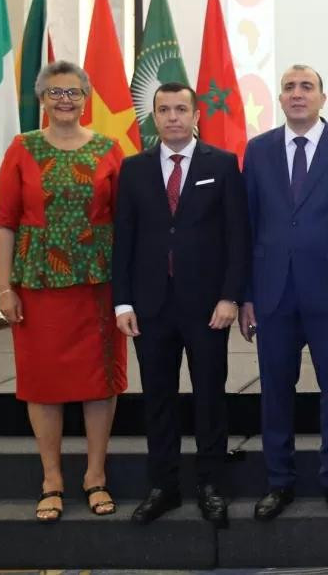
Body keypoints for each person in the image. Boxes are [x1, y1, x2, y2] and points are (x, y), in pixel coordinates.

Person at [0, 60, 126, 522]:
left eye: (73, 92)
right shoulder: (22, 148)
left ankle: (95, 476)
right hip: (39, 286)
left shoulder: (110, 149)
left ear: (86, 98)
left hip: (98, 287)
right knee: (42, 385)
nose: (65, 100)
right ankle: (51, 479)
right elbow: (3, 221)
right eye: (55, 92)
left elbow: (129, 221)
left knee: (99, 384)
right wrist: (5, 288)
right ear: (42, 99)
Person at [241, 65, 328, 520]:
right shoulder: (258, 151)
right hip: (273, 294)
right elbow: (249, 227)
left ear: (323, 97)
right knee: (275, 392)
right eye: (289, 88)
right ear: (279, 99)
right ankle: (278, 482)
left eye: (306, 87)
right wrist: (246, 296)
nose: (297, 94)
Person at [112, 82, 250, 527]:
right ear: (153, 117)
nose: (173, 117)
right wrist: (122, 303)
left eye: (181, 109)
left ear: (195, 115)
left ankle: (211, 484)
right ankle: (163, 486)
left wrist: (231, 296)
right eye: (164, 109)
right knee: (158, 399)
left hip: (208, 306)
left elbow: (237, 238)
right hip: (150, 306)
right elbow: (124, 241)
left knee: (209, 396)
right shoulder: (133, 169)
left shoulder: (223, 164)